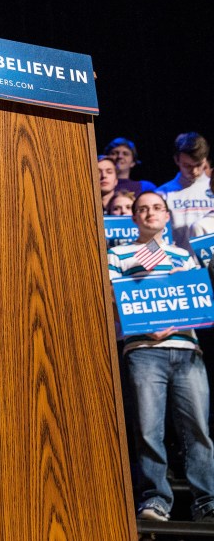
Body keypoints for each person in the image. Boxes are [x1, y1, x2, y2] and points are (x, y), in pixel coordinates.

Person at [108, 191, 214, 522]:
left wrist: (171, 323)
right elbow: (112, 300)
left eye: (156, 208)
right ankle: (155, 500)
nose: (150, 213)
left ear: (167, 216)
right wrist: (144, 322)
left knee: (197, 428)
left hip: (186, 348)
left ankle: (207, 501)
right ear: (134, 218)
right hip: (142, 351)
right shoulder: (117, 255)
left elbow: (197, 298)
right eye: (143, 209)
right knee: (147, 429)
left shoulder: (183, 255)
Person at [156, 133, 214, 251]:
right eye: (187, 166)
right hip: (182, 265)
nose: (195, 171)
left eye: (199, 164)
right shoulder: (162, 194)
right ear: (177, 160)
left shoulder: (212, 188)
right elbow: (151, 237)